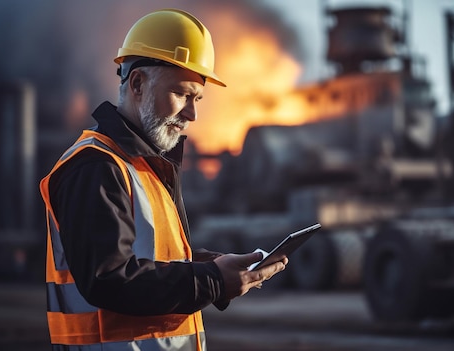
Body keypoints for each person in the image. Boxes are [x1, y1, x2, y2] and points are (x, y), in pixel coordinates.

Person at [39, 8, 287, 351]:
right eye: (182, 94)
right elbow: (109, 280)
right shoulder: (96, 166)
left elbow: (150, 259)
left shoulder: (142, 165)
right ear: (137, 83)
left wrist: (212, 265)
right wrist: (213, 281)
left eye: (197, 98)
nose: (193, 114)